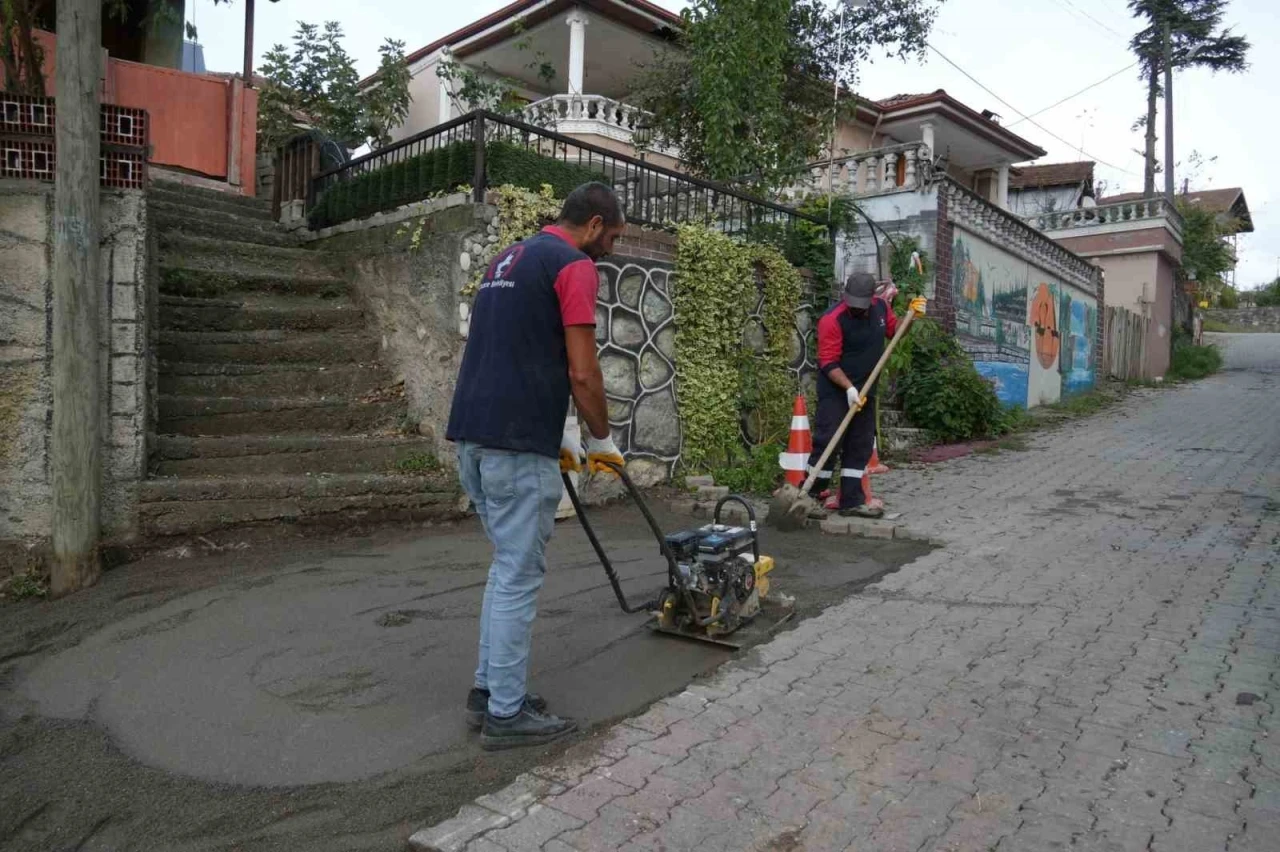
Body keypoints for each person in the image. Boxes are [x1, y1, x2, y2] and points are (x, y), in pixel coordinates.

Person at [446, 182, 626, 750]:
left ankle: (489, 691)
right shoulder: (572, 265)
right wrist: (601, 437)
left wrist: (564, 433)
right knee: (519, 578)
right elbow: (581, 371)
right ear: (594, 224)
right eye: (613, 238)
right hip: (517, 446)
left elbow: (517, 349)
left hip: (473, 437)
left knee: (505, 572)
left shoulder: (509, 257)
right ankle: (506, 713)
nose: (611, 251)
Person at [806, 272, 924, 519]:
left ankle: (851, 501)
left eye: (861, 305)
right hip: (836, 389)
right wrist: (849, 388)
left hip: (866, 390)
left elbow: (896, 332)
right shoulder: (832, 319)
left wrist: (912, 316)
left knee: (859, 445)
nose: (857, 310)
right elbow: (828, 361)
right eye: (852, 304)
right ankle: (810, 497)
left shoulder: (881, 308)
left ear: (872, 298)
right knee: (827, 440)